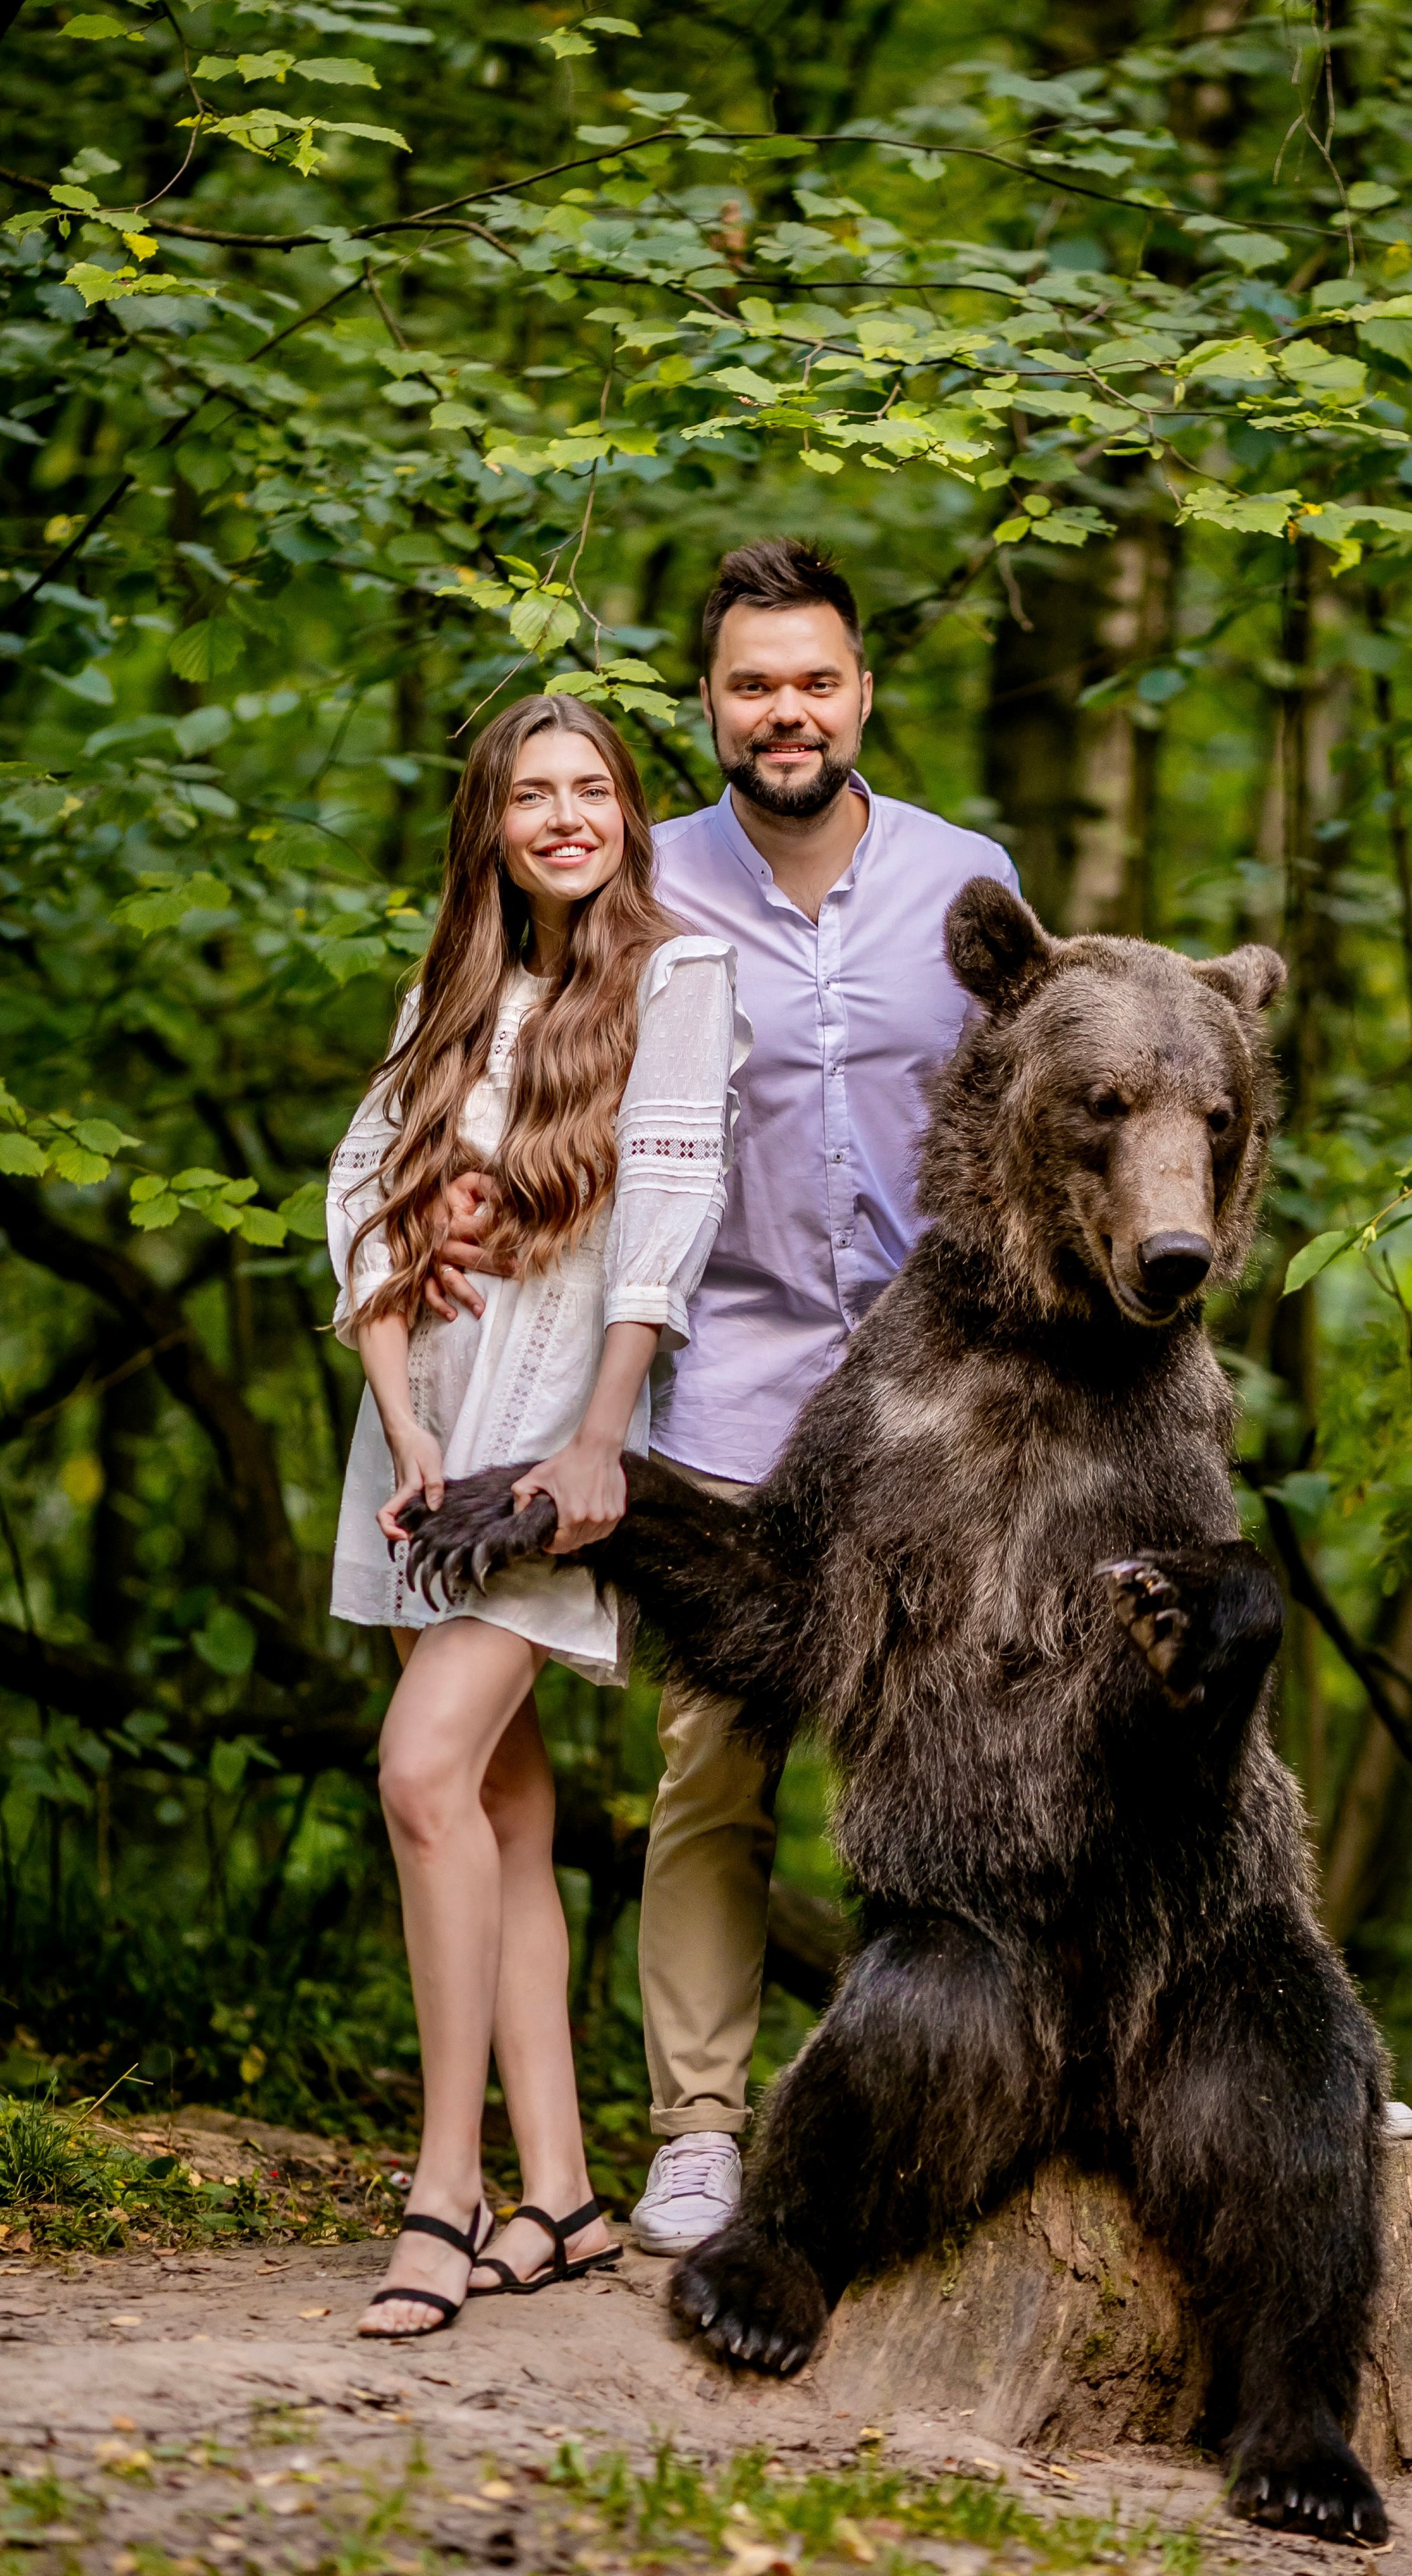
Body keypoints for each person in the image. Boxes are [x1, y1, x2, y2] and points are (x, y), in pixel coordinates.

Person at [428, 540, 1018, 2256]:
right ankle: (698, 2122)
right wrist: (460, 1200)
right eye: (752, 684)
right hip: (717, 1391)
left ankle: (967, 2097)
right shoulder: (644, 883)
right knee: (714, 1768)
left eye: (813, 681)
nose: (785, 711)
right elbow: (527, 1067)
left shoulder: (963, 877)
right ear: (708, 704)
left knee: (971, 1752)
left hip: (944, 1402)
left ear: (857, 692)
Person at [327, 693, 748, 2333]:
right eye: (529, 793)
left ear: (629, 811)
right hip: (431, 1433)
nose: (562, 815)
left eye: (591, 789)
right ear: (488, 823)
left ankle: (446, 2189)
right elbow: (360, 1196)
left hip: (551, 1442)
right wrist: (403, 1414)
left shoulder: (674, 973)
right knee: (496, 1805)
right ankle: (562, 2191)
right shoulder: (456, 984)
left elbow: (667, 1210)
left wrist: (593, 1444)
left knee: (420, 1771)